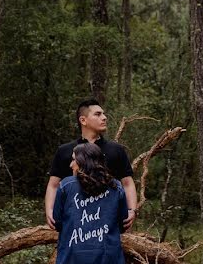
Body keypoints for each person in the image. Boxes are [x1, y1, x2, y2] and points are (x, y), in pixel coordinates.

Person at [45, 99, 137, 232]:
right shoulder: (65, 151)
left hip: (109, 223)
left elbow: (127, 183)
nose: (104, 118)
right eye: (98, 114)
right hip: (73, 223)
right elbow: (53, 184)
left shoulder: (116, 150)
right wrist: (50, 210)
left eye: (103, 114)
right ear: (83, 120)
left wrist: (132, 210)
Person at [52, 142, 127, 264]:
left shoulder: (65, 186)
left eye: (73, 160)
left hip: (71, 257)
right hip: (108, 257)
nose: (71, 165)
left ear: (82, 161)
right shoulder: (116, 187)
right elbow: (122, 224)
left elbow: (57, 223)